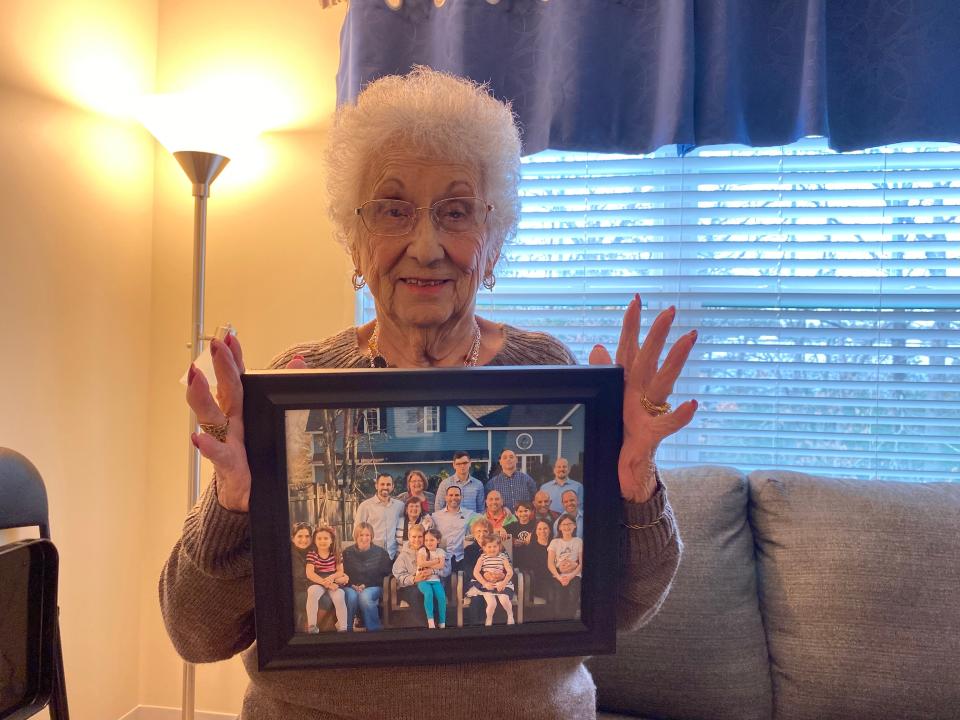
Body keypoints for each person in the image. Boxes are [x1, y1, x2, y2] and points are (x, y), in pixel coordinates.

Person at [165, 67, 696, 718]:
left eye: (456, 211)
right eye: (393, 210)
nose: (426, 245)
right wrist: (234, 505)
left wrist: (637, 484)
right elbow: (194, 634)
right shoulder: (299, 387)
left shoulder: (549, 376)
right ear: (356, 243)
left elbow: (625, 607)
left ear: (493, 242)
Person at [342, 522, 392, 632]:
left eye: (367, 535)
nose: (364, 538)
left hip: (374, 586)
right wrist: (352, 585)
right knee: (351, 597)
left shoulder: (381, 553)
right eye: (361, 535)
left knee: (365, 597)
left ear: (372, 536)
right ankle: (346, 630)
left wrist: (366, 585)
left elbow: (385, 573)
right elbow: (342, 572)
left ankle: (374, 631)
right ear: (356, 536)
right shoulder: (347, 553)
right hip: (350, 586)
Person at [305, 526, 349, 633]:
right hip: (318, 581)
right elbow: (310, 573)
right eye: (319, 538)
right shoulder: (312, 554)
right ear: (315, 540)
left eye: (326, 538)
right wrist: (326, 583)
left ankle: (343, 627)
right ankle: (312, 626)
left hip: (332, 580)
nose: (322, 541)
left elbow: (340, 571)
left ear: (331, 540)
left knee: (339, 596)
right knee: (312, 592)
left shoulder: (336, 554)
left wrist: (332, 578)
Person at [467, 534, 515, 626]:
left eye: (495, 546)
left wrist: (504, 583)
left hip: (501, 583)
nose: (492, 549)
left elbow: (510, 572)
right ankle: (489, 619)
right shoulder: (482, 558)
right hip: (487, 584)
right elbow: (476, 572)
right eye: (489, 546)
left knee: (504, 600)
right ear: (484, 547)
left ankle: (510, 614)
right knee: (492, 603)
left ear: (499, 547)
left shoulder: (502, 557)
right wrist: (485, 583)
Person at [354, 472, 404, 559]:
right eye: (382, 484)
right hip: (371, 555)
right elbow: (357, 532)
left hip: (392, 555)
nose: (385, 487)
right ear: (376, 486)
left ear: (392, 486)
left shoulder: (399, 506)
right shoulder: (365, 506)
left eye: (388, 484)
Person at [430, 485, 478, 574]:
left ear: (461, 497)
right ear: (446, 497)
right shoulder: (435, 516)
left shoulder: (469, 514)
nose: (454, 498)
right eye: (451, 495)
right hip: (441, 558)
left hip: (461, 558)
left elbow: (486, 521)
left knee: (462, 584)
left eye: (457, 495)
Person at [391, 523, 430, 628]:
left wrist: (432, 573)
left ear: (424, 537)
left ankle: (434, 625)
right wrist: (413, 579)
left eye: (420, 537)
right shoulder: (403, 555)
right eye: (414, 537)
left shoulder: (431, 550)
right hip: (410, 587)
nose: (417, 540)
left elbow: (444, 568)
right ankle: (424, 627)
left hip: (429, 583)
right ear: (409, 537)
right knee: (416, 594)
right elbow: (398, 574)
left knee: (431, 593)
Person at [547, 514, 583, 619]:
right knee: (558, 600)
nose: (567, 527)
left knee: (573, 596)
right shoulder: (555, 542)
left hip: (574, 575)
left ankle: (570, 621)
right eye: (564, 524)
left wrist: (571, 576)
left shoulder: (578, 541)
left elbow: (581, 563)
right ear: (559, 527)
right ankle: (559, 623)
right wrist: (559, 577)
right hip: (558, 575)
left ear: (575, 526)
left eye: (569, 524)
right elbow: (550, 563)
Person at [416, 528, 448, 629]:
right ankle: (431, 621)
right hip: (423, 580)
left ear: (438, 540)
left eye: (432, 540)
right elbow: (421, 563)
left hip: (435, 580)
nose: (428, 543)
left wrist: (429, 565)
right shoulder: (422, 550)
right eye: (426, 540)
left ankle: (442, 622)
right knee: (428, 593)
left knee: (441, 597)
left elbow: (441, 565)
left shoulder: (440, 551)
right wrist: (435, 562)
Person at [290, 522, 314, 632]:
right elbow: (300, 577)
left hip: (310, 588)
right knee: (325, 600)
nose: (304, 540)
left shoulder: (313, 551)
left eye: (307, 536)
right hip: (296, 592)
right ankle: (308, 627)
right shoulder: (290, 553)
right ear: (292, 538)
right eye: (300, 536)